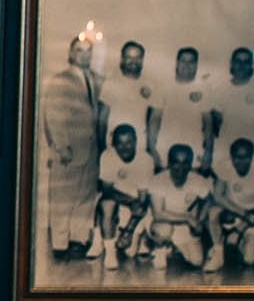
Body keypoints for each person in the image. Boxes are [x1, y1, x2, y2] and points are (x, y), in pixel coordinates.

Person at [38, 28, 104, 257]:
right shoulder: (61, 80)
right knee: (62, 199)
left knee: (85, 198)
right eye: (79, 51)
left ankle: (78, 240)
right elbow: (53, 115)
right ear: (70, 53)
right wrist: (61, 146)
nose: (84, 56)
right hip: (69, 150)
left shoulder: (96, 80)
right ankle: (60, 245)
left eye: (88, 51)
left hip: (91, 150)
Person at [144, 142, 218, 273]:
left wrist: (199, 221)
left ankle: (174, 247)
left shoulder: (197, 180)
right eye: (176, 163)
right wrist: (188, 219)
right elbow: (159, 214)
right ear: (169, 164)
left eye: (185, 163)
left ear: (190, 165)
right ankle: (160, 249)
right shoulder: (158, 180)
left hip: (183, 225)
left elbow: (209, 200)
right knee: (164, 229)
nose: (181, 168)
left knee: (197, 261)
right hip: (161, 223)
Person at [145, 45, 215, 173]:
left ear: (196, 65)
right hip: (165, 151)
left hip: (194, 152)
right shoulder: (163, 86)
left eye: (191, 62)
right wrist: (152, 149)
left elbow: (208, 124)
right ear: (177, 63)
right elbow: (154, 119)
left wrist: (209, 152)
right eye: (183, 61)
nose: (187, 65)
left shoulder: (204, 89)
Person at [211, 137, 254, 268]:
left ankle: (239, 240)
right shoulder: (224, 166)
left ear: (252, 157)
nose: (241, 162)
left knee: (249, 260)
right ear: (231, 157)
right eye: (237, 157)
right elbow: (218, 196)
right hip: (233, 211)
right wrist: (241, 213)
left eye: (246, 157)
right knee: (213, 212)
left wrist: (238, 231)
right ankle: (217, 249)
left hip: (251, 218)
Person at [96, 122, 154, 271]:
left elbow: (143, 200)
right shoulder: (107, 156)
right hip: (118, 202)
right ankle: (109, 251)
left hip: (137, 211)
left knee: (130, 254)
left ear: (136, 141)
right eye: (120, 143)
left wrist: (128, 231)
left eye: (129, 142)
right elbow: (107, 191)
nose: (125, 148)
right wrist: (129, 201)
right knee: (106, 204)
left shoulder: (146, 159)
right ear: (113, 145)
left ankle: (136, 237)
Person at [212, 45, 254, 170]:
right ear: (232, 64)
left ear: (251, 65)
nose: (242, 65)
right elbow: (216, 122)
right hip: (226, 147)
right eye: (238, 61)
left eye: (246, 62)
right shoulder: (220, 89)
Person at [102, 39, 155, 151]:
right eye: (129, 57)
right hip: (114, 145)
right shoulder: (110, 82)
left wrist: (151, 147)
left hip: (140, 146)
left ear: (142, 60)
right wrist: (101, 147)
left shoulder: (150, 84)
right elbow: (102, 119)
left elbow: (153, 120)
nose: (133, 61)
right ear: (122, 59)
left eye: (137, 58)